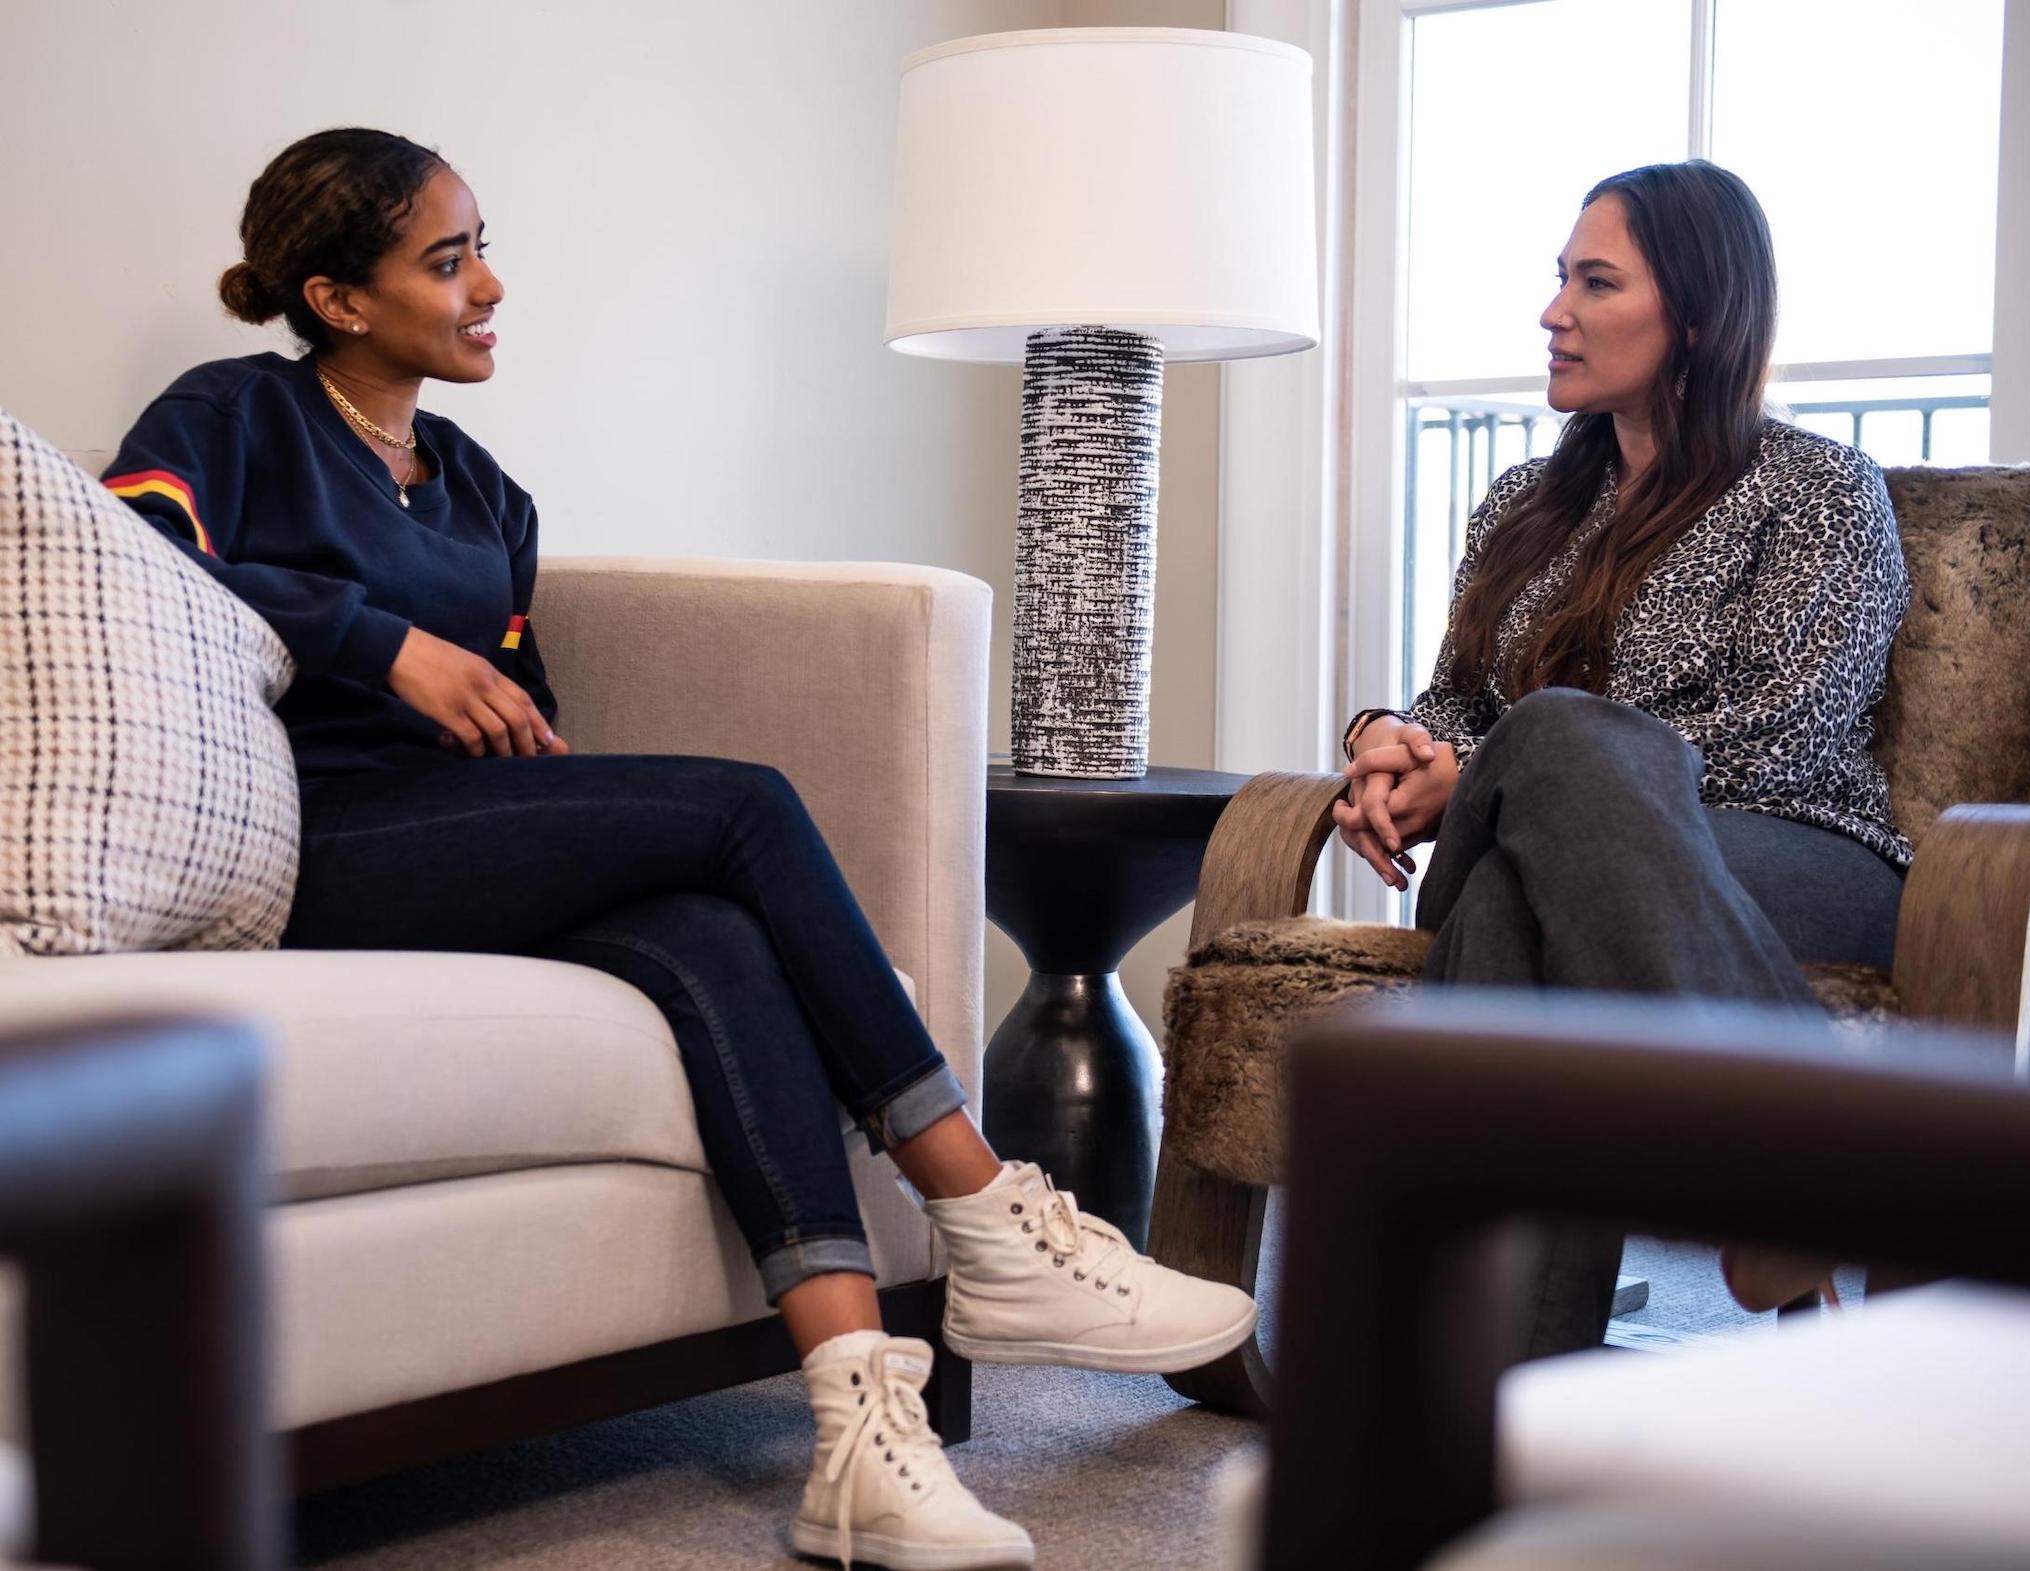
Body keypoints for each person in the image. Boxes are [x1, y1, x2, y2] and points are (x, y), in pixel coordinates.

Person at [104, 127, 1254, 1571]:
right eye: (447, 261)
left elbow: (525, 710)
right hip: (316, 842)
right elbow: (142, 555)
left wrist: (568, 809)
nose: (488, 285)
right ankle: (979, 1203)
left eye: (480, 251)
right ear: (338, 299)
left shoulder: (478, 489)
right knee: (744, 802)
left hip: (457, 839)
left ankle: (855, 1427)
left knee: (707, 931)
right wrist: (381, 642)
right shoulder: (233, 419)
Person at [1331, 160, 1910, 1357]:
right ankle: (1801, 1170)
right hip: (1563, 841)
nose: (1554, 312)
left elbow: (1786, 729)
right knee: (1534, 788)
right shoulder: (1521, 505)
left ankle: (1484, 1391)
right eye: (1560, 279)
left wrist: (1510, 757)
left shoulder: (1819, 490)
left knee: (1514, 869)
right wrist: (1385, 740)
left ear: (1695, 316)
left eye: (1596, 282)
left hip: (1798, 848)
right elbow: (1453, 700)